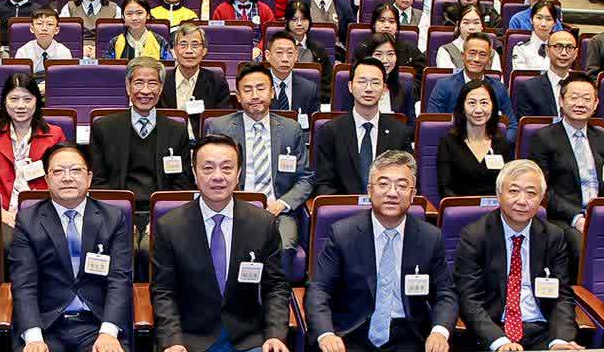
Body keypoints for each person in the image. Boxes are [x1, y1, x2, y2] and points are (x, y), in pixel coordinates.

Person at [150, 134, 292, 352]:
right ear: (195, 173)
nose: (218, 176)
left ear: (239, 173)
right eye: (208, 168)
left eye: (227, 168)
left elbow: (275, 287)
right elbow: (163, 292)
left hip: (248, 341)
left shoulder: (262, 223)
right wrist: (173, 340)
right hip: (189, 342)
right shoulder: (170, 226)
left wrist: (275, 334)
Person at [305, 150, 449, 352]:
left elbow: (445, 293)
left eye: (402, 186)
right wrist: (326, 334)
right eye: (383, 184)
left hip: (410, 336)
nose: (392, 193)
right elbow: (319, 289)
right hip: (351, 335)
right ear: (369, 190)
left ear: (413, 195)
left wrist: (439, 332)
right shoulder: (343, 234)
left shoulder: (430, 237)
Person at [9, 144, 133, 352]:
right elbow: (24, 283)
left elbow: (119, 280)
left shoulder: (113, 218)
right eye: (58, 171)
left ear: (89, 177)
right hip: (47, 325)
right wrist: (34, 337)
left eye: (76, 170)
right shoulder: (28, 220)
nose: (67, 178)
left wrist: (108, 332)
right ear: (46, 179)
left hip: (96, 324)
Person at [452, 159, 582, 351]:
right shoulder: (475, 236)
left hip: (543, 332)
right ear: (499, 194)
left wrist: (560, 340)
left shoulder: (553, 236)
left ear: (541, 198)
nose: (522, 201)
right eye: (513, 191)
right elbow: (468, 299)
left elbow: (561, 296)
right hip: (494, 331)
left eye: (531, 193)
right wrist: (499, 342)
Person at [206, 64, 312, 253]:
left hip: (278, 211)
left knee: (285, 247)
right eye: (247, 90)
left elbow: (306, 178)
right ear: (238, 96)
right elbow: (209, 174)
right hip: (232, 208)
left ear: (272, 92)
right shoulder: (220, 128)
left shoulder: (290, 129)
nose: (255, 95)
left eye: (261, 88)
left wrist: (282, 204)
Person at [88, 58, 196, 217]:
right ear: (128, 86)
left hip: (163, 214)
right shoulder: (103, 128)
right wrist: (118, 219)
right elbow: (99, 183)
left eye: (152, 84)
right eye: (139, 83)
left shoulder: (177, 130)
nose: (145, 91)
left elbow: (182, 184)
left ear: (160, 88)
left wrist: (163, 219)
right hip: (116, 213)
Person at [524, 75, 604, 241]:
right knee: (581, 243)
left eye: (587, 99)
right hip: (563, 217)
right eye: (574, 98)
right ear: (561, 101)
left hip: (600, 213)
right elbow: (542, 188)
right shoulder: (544, 138)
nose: (580, 104)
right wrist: (576, 218)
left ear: (596, 104)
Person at [0, 72, 68, 224]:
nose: (21, 106)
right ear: (4, 101)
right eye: (14, 99)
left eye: (27, 99)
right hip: (1, 215)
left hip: (43, 215)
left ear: (37, 101)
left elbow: (62, 181)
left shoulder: (55, 135)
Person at [313, 58, 416, 199]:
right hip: (343, 208)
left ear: (384, 89)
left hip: (387, 206)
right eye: (362, 82)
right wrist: (346, 206)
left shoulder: (400, 132)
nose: (368, 89)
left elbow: (407, 180)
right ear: (350, 86)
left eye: (375, 83)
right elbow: (323, 183)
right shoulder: (331, 131)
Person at [436, 78, 515, 200]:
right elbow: (445, 189)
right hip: (460, 209)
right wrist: (469, 208)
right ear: (462, 107)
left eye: (484, 103)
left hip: (495, 209)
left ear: (493, 107)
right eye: (472, 103)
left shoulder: (502, 144)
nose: (478, 110)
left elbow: (510, 186)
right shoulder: (448, 143)